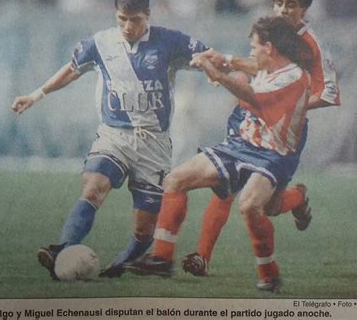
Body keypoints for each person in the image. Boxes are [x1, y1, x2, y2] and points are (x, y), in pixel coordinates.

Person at [11, 0, 208, 279]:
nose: (128, 27)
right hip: (114, 134)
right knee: (93, 188)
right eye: (121, 19)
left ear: (148, 15)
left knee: (144, 228)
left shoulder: (169, 42)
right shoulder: (101, 43)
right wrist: (36, 94)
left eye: (136, 20)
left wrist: (221, 73)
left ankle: (116, 268)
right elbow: (72, 69)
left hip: (153, 142)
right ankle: (61, 248)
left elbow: (209, 57)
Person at [128, 16, 314, 293]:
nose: (251, 51)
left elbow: (253, 96)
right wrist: (225, 59)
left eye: (254, 46)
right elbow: (254, 67)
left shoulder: (296, 78)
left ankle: (269, 272)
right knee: (175, 179)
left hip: (274, 153)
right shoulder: (270, 64)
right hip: (242, 142)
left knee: (253, 206)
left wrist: (218, 74)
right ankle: (161, 258)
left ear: (270, 48)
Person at [179, 0, 341, 280]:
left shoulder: (311, 45)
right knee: (225, 186)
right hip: (251, 120)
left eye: (291, 4)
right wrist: (230, 61)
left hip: (281, 133)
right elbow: (261, 66)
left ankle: (296, 197)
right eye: (279, 3)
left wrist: (289, 105)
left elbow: (330, 93)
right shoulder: (272, 31)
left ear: (305, 8)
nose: (283, 10)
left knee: (266, 206)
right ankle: (202, 256)